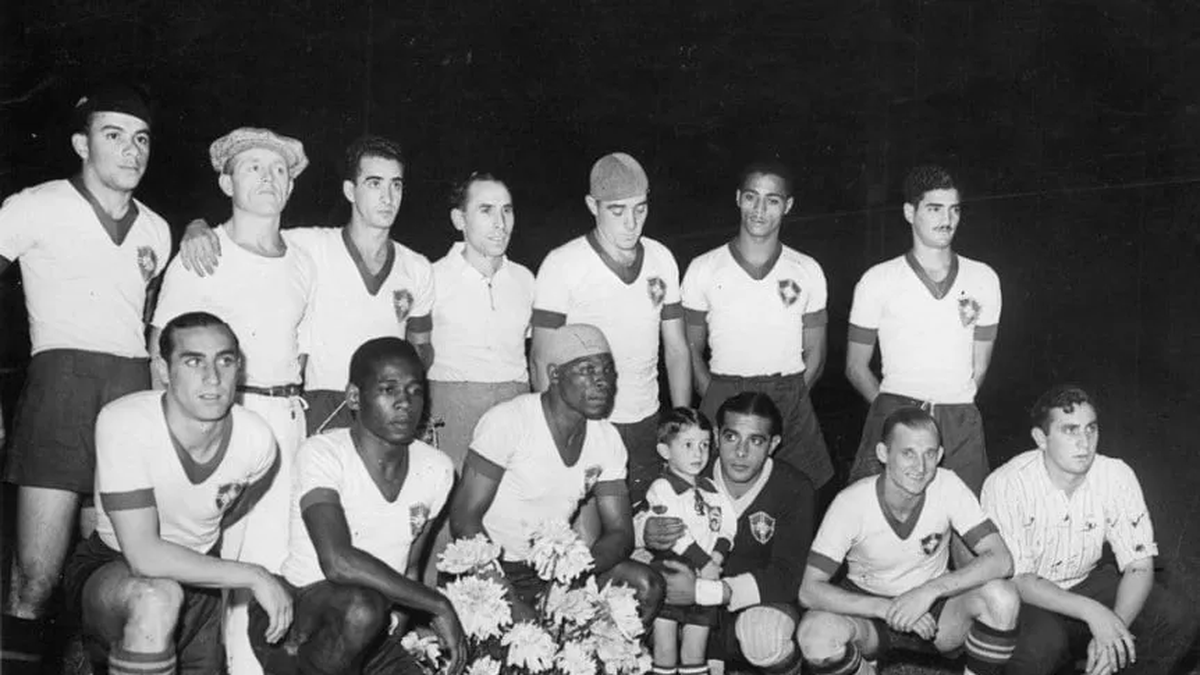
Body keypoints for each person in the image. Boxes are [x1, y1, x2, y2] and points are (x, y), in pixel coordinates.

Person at [0, 82, 171, 671]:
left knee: (110, 572)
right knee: (37, 579)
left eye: (141, 138)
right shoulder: (34, 205)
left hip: (129, 396)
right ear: (81, 142)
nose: (132, 150)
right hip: (59, 388)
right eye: (113, 135)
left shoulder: (159, 230)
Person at [151, 126, 315, 675]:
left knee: (266, 566)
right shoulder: (201, 254)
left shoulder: (302, 261)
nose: (268, 178)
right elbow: (161, 353)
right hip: (221, 418)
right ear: (225, 181)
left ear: (291, 187)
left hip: (286, 420)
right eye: (252, 168)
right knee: (203, 566)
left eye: (279, 170)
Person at [61, 312, 289, 675]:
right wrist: (255, 575)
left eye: (224, 361)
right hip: (116, 570)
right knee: (157, 597)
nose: (212, 378)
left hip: (202, 584)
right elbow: (144, 558)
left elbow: (220, 512)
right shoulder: (126, 422)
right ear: (165, 371)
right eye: (193, 361)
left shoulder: (257, 440)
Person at [175, 135, 435, 434]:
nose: (388, 197)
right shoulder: (309, 246)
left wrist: (405, 383)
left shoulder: (417, 267)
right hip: (322, 403)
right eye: (375, 183)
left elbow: (422, 346)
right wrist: (196, 226)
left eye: (396, 184)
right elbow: (249, 234)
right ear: (350, 190)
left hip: (386, 405)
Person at [252, 337, 466, 675]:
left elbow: (408, 570)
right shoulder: (323, 452)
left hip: (371, 627)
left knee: (370, 613)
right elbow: (337, 561)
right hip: (297, 619)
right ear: (354, 396)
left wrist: (400, 625)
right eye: (388, 389)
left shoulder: (437, 468)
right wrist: (438, 604)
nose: (404, 403)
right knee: (361, 607)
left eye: (415, 391)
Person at [981, 385, 1198, 675]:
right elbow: (1020, 581)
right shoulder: (1007, 483)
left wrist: (1114, 628)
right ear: (1040, 438)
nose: (1084, 442)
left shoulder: (1115, 474)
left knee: (1176, 617)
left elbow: (1139, 565)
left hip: (1086, 582)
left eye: (1090, 429)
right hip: (1032, 598)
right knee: (1042, 647)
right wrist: (1095, 613)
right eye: (1070, 431)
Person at [449, 324, 663, 618]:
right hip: (492, 569)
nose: (602, 381)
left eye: (607, 370)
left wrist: (577, 570)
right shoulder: (509, 421)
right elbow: (463, 520)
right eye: (587, 370)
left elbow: (620, 532)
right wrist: (509, 599)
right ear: (554, 375)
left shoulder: (607, 438)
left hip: (555, 570)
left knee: (645, 585)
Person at [796, 407, 1019, 675]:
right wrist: (885, 608)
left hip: (936, 612)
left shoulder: (947, 485)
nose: (921, 467)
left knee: (1002, 597)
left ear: (939, 456)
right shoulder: (851, 503)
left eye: (929, 454)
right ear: (883, 453)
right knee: (815, 637)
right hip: (871, 610)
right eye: (908, 453)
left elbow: (1001, 559)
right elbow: (809, 590)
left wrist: (929, 591)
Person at [530, 152, 691, 508]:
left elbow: (677, 349)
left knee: (652, 532)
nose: (631, 223)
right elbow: (541, 358)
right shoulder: (563, 264)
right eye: (617, 211)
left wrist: (682, 425)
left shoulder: (662, 258)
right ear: (593, 205)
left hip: (648, 421)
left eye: (640, 208)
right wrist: (554, 431)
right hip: (588, 423)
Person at [845, 165, 1000, 494]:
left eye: (954, 209)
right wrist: (897, 415)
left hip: (959, 417)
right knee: (875, 526)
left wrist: (953, 400)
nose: (947, 219)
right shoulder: (878, 279)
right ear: (909, 212)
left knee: (969, 529)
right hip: (895, 410)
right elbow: (855, 367)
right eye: (934, 209)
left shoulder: (983, 278)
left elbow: (981, 364)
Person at [681, 159, 833, 491]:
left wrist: (788, 400)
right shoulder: (703, 268)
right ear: (738, 198)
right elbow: (689, 348)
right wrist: (716, 393)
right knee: (714, 497)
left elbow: (816, 353)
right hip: (724, 390)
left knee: (797, 495)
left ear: (788, 206)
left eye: (773, 200)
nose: (760, 209)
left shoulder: (806, 269)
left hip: (788, 393)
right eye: (751, 197)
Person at [642, 392, 815, 675]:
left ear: (773, 444)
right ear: (716, 434)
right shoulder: (692, 469)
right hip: (686, 601)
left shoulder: (794, 488)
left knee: (763, 637)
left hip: (752, 601)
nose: (741, 452)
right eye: (732, 437)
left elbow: (789, 575)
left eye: (756, 441)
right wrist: (646, 532)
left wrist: (708, 592)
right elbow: (646, 511)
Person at [422, 172, 533, 584]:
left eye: (506, 210)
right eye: (485, 210)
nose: (499, 222)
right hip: (453, 414)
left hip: (512, 408)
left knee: (508, 522)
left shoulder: (525, 280)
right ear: (459, 219)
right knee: (447, 527)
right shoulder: (431, 277)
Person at [644, 407, 736, 675]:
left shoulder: (712, 489)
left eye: (704, 445)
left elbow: (728, 526)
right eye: (688, 445)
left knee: (695, 649)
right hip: (672, 577)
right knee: (665, 648)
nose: (698, 453)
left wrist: (717, 557)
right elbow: (676, 532)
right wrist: (704, 561)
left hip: (706, 578)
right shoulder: (663, 489)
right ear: (665, 451)